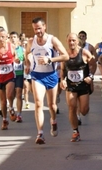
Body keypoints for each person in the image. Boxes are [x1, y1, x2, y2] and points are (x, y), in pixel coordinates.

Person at [24, 17, 69, 145]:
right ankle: (40, 134)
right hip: (37, 75)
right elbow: (27, 53)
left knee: (52, 105)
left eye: (39, 28)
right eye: (34, 29)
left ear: (44, 27)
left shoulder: (52, 40)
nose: (37, 31)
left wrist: (50, 60)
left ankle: (53, 120)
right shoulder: (31, 41)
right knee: (38, 103)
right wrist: (28, 64)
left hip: (51, 75)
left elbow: (65, 56)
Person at [60, 33, 95, 142]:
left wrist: (91, 77)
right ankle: (75, 132)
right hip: (71, 85)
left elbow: (93, 64)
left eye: (73, 40)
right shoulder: (64, 54)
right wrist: (62, 80)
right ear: (67, 41)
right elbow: (62, 70)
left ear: (77, 41)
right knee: (71, 107)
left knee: (84, 111)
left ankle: (81, 107)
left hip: (83, 85)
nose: (71, 43)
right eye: (69, 40)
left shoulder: (84, 53)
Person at [77, 30, 97, 125]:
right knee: (76, 96)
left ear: (86, 37)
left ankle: (84, 106)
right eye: (80, 36)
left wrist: (91, 64)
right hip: (76, 76)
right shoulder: (74, 47)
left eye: (83, 36)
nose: (81, 38)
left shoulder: (89, 47)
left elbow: (95, 57)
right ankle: (77, 116)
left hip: (87, 73)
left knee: (90, 90)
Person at [10, 31, 24, 122]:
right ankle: (11, 107)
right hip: (10, 74)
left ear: (18, 39)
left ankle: (19, 115)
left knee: (19, 94)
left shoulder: (21, 49)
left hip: (19, 73)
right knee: (11, 95)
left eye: (14, 37)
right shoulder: (7, 49)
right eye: (11, 37)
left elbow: (24, 59)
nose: (13, 39)